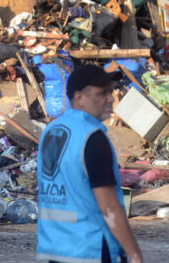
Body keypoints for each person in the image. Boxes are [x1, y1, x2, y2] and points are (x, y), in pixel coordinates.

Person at [37, 64, 143, 263]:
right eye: (102, 93)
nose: (110, 98)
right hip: (90, 248)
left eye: (110, 91)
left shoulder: (50, 132)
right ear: (80, 98)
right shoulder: (92, 138)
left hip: (55, 248)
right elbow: (109, 208)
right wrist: (135, 255)